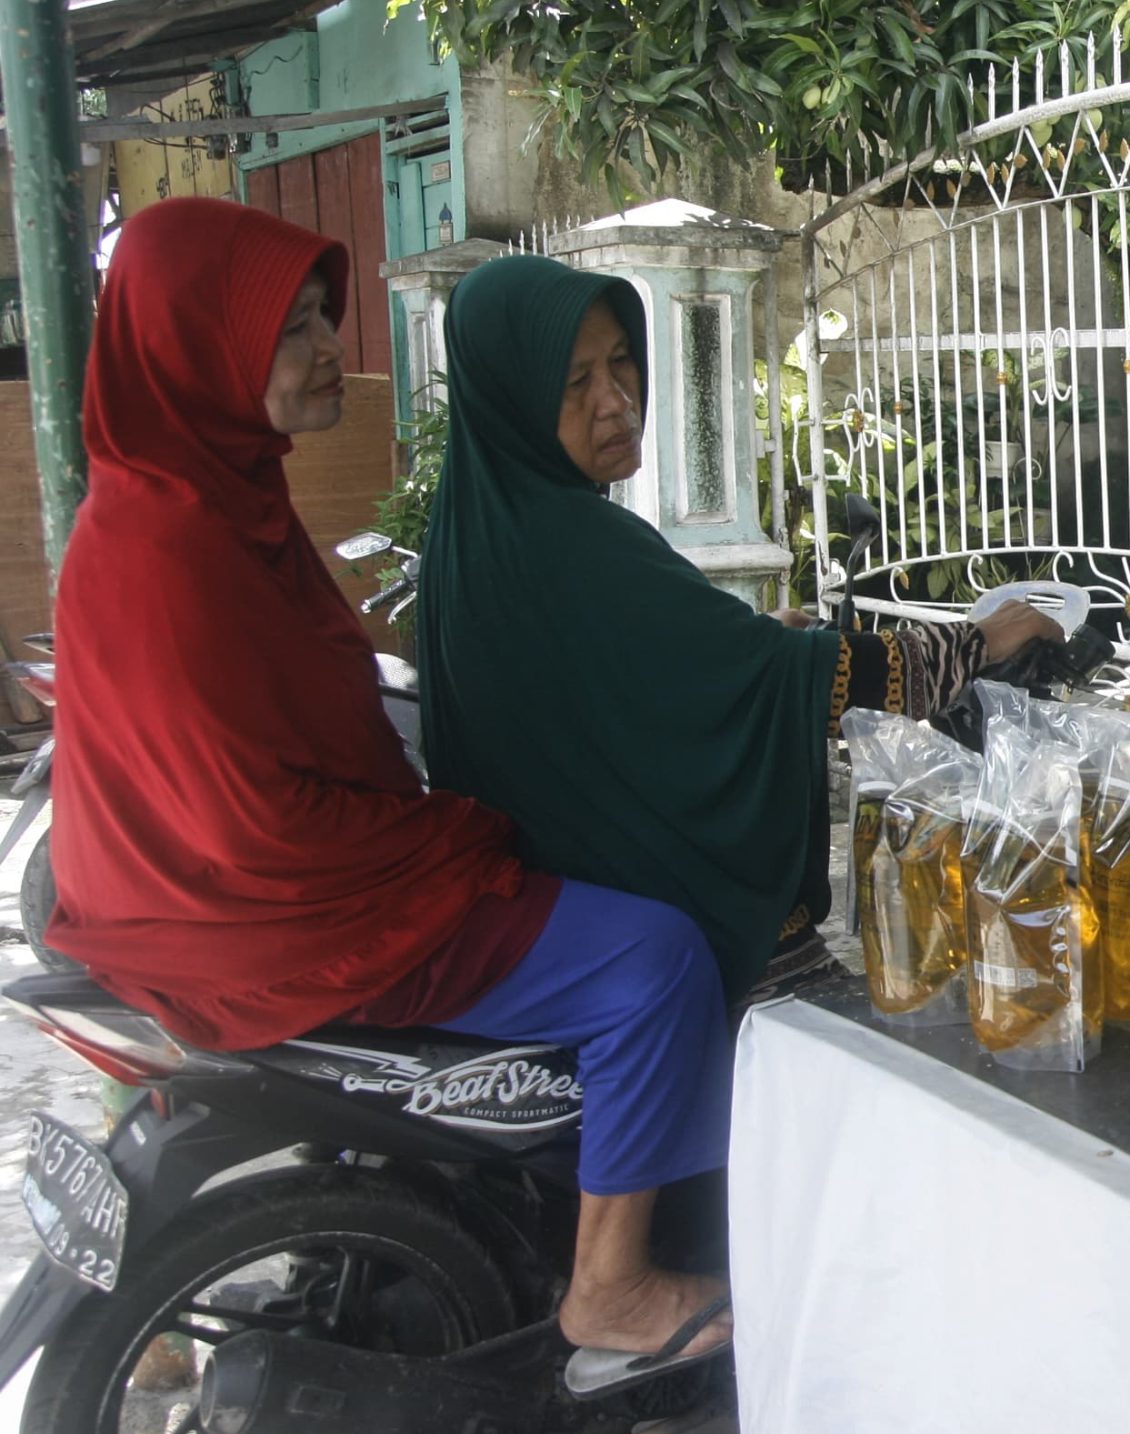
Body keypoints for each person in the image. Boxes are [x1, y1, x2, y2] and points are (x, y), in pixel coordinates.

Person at [44, 199, 735, 1374]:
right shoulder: (176, 550)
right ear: (195, 348)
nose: (333, 352)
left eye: (325, 317)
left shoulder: (196, 498)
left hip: (186, 902)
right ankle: (609, 1284)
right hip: (276, 913)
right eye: (293, 330)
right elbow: (246, 813)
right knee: (654, 960)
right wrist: (450, 837)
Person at [415, 254, 1059, 1001]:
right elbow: (772, 677)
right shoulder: (566, 540)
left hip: (558, 920)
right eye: (574, 383)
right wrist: (974, 643)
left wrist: (753, 643)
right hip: (662, 934)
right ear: (513, 396)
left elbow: (641, 671)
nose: (617, 400)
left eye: (622, 360)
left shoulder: (474, 529)